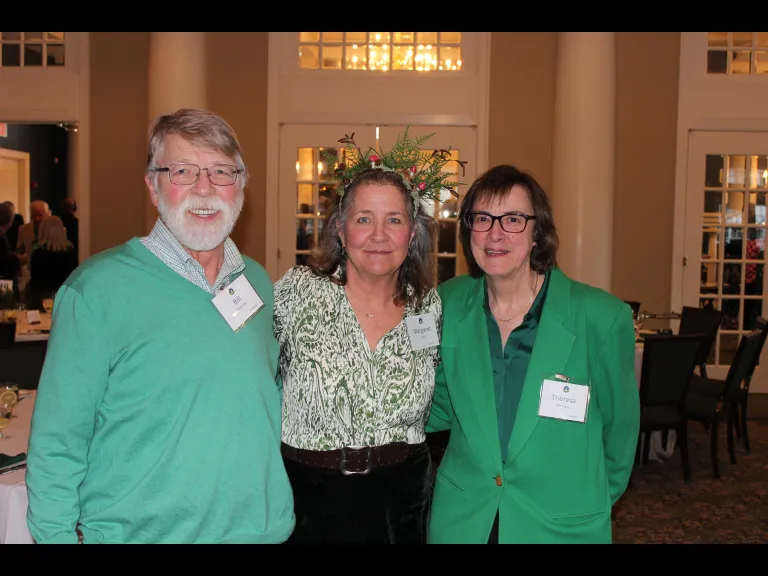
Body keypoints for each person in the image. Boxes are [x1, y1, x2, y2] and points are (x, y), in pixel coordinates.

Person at [26, 108, 295, 544]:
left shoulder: (258, 282)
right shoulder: (95, 292)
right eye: (183, 171)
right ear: (153, 186)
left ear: (240, 187)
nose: (204, 189)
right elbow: (57, 443)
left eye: (221, 172)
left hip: (258, 534)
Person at [427, 164, 639, 544]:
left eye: (512, 219)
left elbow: (620, 435)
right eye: (482, 218)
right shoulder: (448, 303)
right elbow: (439, 402)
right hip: (465, 520)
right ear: (467, 230)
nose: (495, 233)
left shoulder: (601, 318)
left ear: (537, 232)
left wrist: (585, 504)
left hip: (557, 525)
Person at [274, 130, 458, 544]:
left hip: (400, 505)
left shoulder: (428, 307)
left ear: (412, 235)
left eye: (394, 220)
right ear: (340, 230)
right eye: (364, 219)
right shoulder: (297, 292)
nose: (379, 235)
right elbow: (250, 373)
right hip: (309, 503)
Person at [27, 215, 79, 309]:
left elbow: (35, 281)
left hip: (41, 300)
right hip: (64, 298)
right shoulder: (71, 252)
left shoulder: (38, 254)